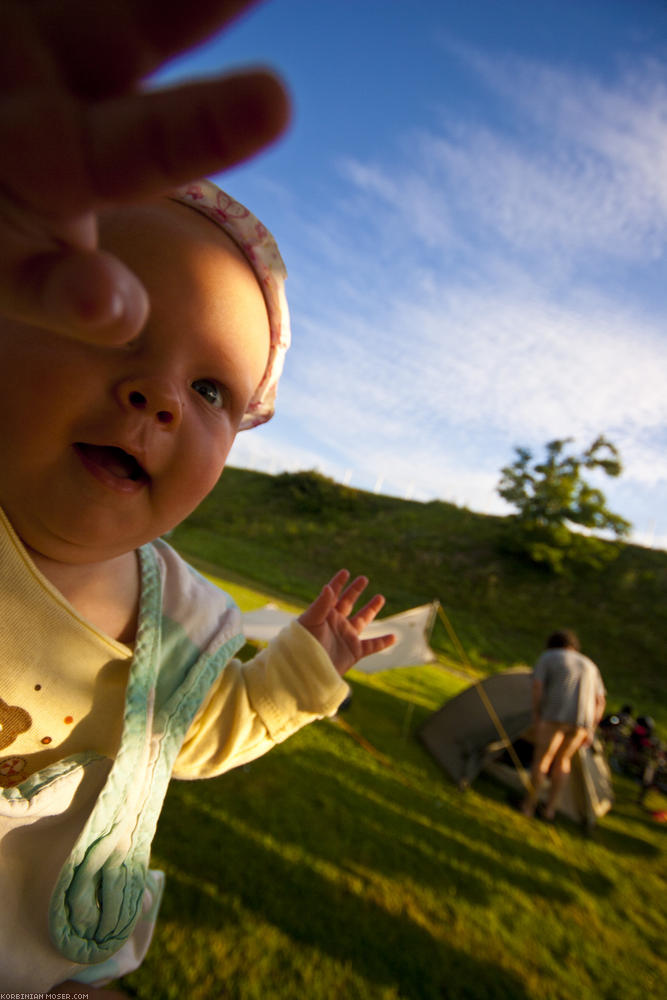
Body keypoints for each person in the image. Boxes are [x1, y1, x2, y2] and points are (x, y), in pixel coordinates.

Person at [0, 4, 396, 994]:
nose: (157, 397)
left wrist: (304, 667)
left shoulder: (178, 617)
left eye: (210, 390)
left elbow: (201, 730)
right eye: (106, 322)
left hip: (49, 954)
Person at [521, 629, 606, 822]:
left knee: (543, 759)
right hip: (582, 722)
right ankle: (550, 810)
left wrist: (537, 713)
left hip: (555, 716)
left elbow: (537, 686)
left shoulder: (549, 657)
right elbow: (600, 701)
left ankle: (528, 806)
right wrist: (591, 729)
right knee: (563, 762)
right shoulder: (590, 665)